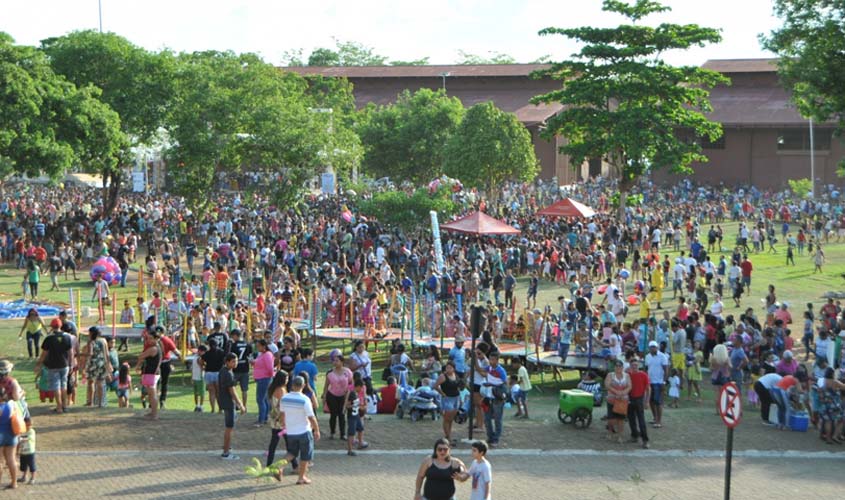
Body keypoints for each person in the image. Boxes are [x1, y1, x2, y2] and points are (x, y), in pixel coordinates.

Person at [279, 376, 321, 486]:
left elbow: (282, 414)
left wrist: (283, 424)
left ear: (292, 385)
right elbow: (312, 417)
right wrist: (316, 430)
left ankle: (279, 467)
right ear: (303, 386)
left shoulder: (285, 398)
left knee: (291, 452)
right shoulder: (305, 399)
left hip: (291, 431)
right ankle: (301, 477)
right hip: (304, 431)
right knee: (305, 455)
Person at [33, 318, 72, 414]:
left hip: (53, 366)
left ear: (52, 326)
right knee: (64, 385)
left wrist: (38, 364)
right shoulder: (67, 337)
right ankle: (65, 406)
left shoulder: (49, 338)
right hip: (65, 365)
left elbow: (44, 354)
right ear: (60, 326)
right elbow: (70, 353)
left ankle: (59, 407)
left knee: (56, 386)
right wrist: (70, 364)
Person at [219, 352, 247, 460]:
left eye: (236, 361)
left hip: (225, 402)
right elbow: (232, 391)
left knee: (229, 427)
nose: (235, 363)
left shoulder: (223, 371)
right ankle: (226, 452)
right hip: (229, 402)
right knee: (229, 428)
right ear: (227, 362)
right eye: (233, 361)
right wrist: (240, 404)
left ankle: (227, 447)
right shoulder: (228, 374)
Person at [321, 353, 352, 440]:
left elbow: (351, 384)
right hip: (332, 396)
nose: (334, 362)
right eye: (334, 360)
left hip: (343, 396)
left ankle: (342, 434)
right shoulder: (330, 373)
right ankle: (332, 432)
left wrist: (349, 395)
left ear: (342, 362)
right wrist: (324, 397)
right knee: (333, 415)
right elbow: (326, 386)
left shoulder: (347, 372)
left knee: (342, 415)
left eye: (337, 360)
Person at [480, 351, 507, 447]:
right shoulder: (489, 368)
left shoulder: (501, 371)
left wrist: (491, 384)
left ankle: (495, 438)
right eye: (490, 359)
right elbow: (481, 370)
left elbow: (504, 383)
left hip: (497, 398)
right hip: (489, 397)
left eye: (492, 359)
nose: (491, 361)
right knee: (487, 419)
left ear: (497, 360)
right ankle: (490, 437)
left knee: (497, 419)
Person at [135, 328, 162, 420]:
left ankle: (154, 414)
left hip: (151, 373)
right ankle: (152, 412)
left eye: (151, 338)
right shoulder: (156, 347)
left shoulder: (153, 349)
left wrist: (138, 366)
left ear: (156, 339)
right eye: (148, 338)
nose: (149, 340)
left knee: (152, 393)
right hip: (151, 373)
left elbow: (141, 356)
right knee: (150, 394)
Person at [84, 326, 113, 408]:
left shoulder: (91, 342)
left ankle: (90, 402)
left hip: (93, 363)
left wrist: (80, 355)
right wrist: (108, 364)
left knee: (91, 382)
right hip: (102, 363)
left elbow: (90, 354)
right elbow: (106, 354)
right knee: (100, 382)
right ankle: (100, 403)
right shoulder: (103, 340)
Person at [265, 370, 289, 472]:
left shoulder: (273, 388)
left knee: (274, 443)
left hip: (275, 419)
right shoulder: (281, 390)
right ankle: (295, 465)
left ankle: (269, 464)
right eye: (287, 378)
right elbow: (282, 405)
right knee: (289, 444)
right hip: (280, 420)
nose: (288, 380)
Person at [435, 361, 461, 444]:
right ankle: (447, 436)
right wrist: (442, 393)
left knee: (451, 419)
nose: (448, 369)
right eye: (447, 368)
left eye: (450, 368)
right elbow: (435, 386)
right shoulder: (443, 376)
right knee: (447, 418)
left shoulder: (455, 376)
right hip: (447, 398)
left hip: (456, 397)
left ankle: (449, 435)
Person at [605, 359, 631, 443]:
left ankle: (620, 436)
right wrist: (616, 392)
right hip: (612, 399)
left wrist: (622, 393)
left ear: (623, 367)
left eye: (620, 366)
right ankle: (610, 432)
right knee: (611, 419)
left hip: (622, 400)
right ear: (614, 367)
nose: (618, 367)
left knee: (621, 419)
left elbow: (630, 386)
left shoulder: (627, 376)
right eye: (617, 366)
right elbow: (607, 385)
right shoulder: (610, 375)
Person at [627, 357, 651, 449]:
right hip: (630, 398)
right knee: (631, 419)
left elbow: (648, 389)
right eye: (633, 365)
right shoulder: (628, 375)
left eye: (636, 365)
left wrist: (647, 401)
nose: (634, 367)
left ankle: (645, 440)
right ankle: (634, 435)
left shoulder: (643, 375)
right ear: (630, 366)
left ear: (639, 365)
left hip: (639, 399)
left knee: (641, 421)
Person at [644, 340, 669, 428]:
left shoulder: (662, 356)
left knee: (658, 402)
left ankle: (659, 421)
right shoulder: (647, 357)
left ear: (657, 347)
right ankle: (655, 418)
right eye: (651, 347)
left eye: (654, 347)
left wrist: (664, 382)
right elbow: (647, 369)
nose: (652, 348)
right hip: (650, 382)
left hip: (659, 382)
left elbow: (666, 370)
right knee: (651, 401)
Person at [228, 330, 252, 414]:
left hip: (236, 369)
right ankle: (244, 407)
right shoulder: (247, 344)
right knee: (244, 390)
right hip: (245, 368)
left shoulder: (234, 345)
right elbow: (250, 355)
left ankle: (235, 405)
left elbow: (231, 356)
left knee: (232, 388)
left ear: (235, 335)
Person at [252, 339, 274, 426]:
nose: (257, 348)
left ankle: (261, 420)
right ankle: (264, 417)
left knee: (260, 399)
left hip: (264, 379)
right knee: (264, 399)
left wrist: (269, 377)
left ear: (263, 346)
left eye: (258, 346)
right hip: (262, 378)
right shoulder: (262, 354)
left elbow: (270, 368)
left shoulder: (267, 355)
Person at [0, 388, 19, 490]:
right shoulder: (11, 405)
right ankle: (14, 482)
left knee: (0, 461)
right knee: (11, 459)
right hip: (11, 434)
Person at [200, 339, 226, 413]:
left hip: (209, 373)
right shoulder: (221, 352)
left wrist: (204, 367)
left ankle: (213, 409)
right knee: (219, 392)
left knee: (212, 392)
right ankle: (220, 409)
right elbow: (224, 360)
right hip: (218, 373)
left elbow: (201, 360)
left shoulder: (207, 353)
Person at [16, 417, 36, 485]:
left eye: (30, 425)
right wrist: (17, 451)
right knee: (24, 466)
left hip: (30, 452)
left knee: (32, 466)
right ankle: (24, 476)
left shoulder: (31, 431)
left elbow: (28, 438)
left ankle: (33, 478)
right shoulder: (22, 432)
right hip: (23, 452)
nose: (29, 426)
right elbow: (18, 442)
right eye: (27, 425)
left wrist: (20, 438)